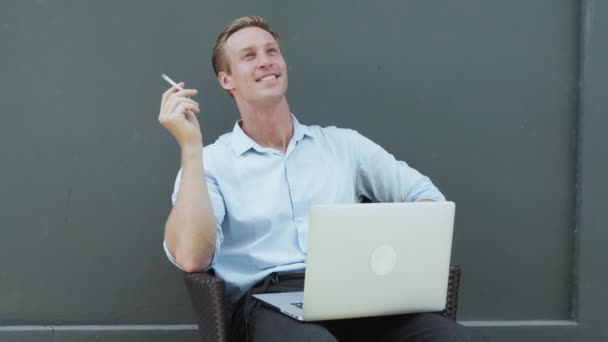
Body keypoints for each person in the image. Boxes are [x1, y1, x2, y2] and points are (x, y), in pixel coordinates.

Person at [159, 15, 488, 342]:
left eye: (272, 51)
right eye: (249, 56)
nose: (266, 61)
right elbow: (191, 257)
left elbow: (429, 199)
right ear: (226, 79)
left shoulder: (344, 145)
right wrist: (191, 148)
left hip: (356, 297)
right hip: (265, 306)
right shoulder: (211, 162)